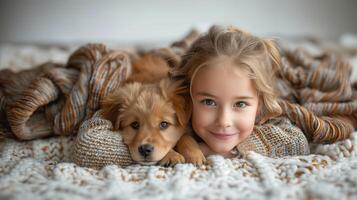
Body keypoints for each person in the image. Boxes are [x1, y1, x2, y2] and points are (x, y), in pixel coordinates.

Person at [171, 25, 310, 159]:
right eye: (209, 102)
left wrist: (206, 150)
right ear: (187, 97)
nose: (224, 121)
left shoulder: (268, 114)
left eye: (240, 104)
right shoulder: (177, 110)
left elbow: (297, 142)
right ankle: (196, 32)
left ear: (259, 104)